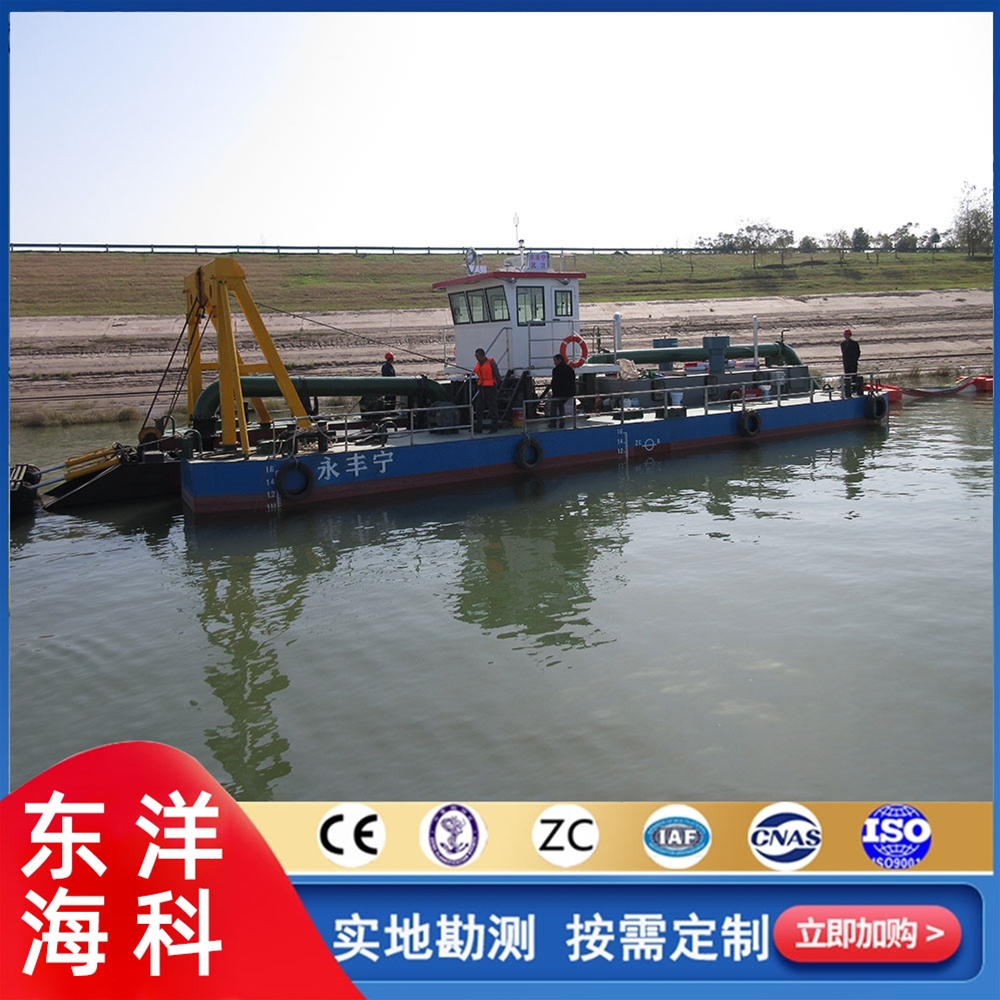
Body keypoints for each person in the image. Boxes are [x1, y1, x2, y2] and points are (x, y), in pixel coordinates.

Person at [472, 347, 501, 433]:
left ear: (482, 355)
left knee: (492, 408)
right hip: (482, 387)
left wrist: (496, 385)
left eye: (477, 356)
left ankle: (494, 427)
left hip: (491, 387)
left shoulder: (491, 363)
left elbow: (497, 374)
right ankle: (479, 427)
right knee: (479, 407)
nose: (476, 358)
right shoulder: (479, 364)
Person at [548, 352, 576, 428]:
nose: (554, 362)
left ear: (559, 360)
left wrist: (554, 393)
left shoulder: (556, 370)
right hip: (569, 393)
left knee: (554, 406)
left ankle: (553, 422)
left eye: (555, 360)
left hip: (559, 393)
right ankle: (562, 422)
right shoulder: (570, 369)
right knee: (561, 405)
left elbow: (555, 382)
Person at [840, 328, 861, 397]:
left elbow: (858, 352)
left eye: (847, 335)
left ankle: (854, 389)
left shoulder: (854, 343)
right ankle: (848, 390)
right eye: (845, 335)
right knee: (847, 377)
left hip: (853, 362)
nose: (846, 336)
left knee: (854, 376)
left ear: (850, 335)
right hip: (846, 363)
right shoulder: (842, 344)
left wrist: (855, 359)